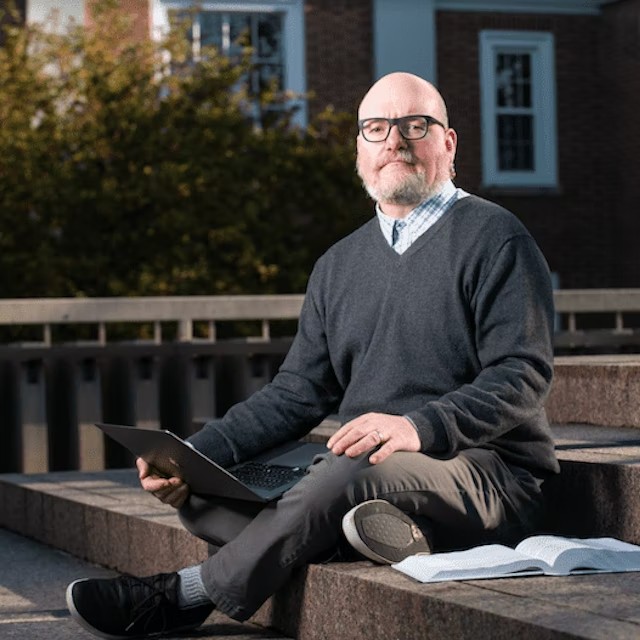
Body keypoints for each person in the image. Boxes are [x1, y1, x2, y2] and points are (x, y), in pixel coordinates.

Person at [66, 71, 560, 638]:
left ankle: (182, 596)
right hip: (372, 467)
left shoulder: (497, 238)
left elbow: (522, 375)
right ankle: (382, 533)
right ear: (359, 149)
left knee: (343, 470)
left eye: (414, 126)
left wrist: (415, 426)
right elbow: (296, 393)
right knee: (205, 496)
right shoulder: (338, 265)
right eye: (377, 128)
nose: (394, 141)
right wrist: (193, 454)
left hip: (488, 471)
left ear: (447, 143)